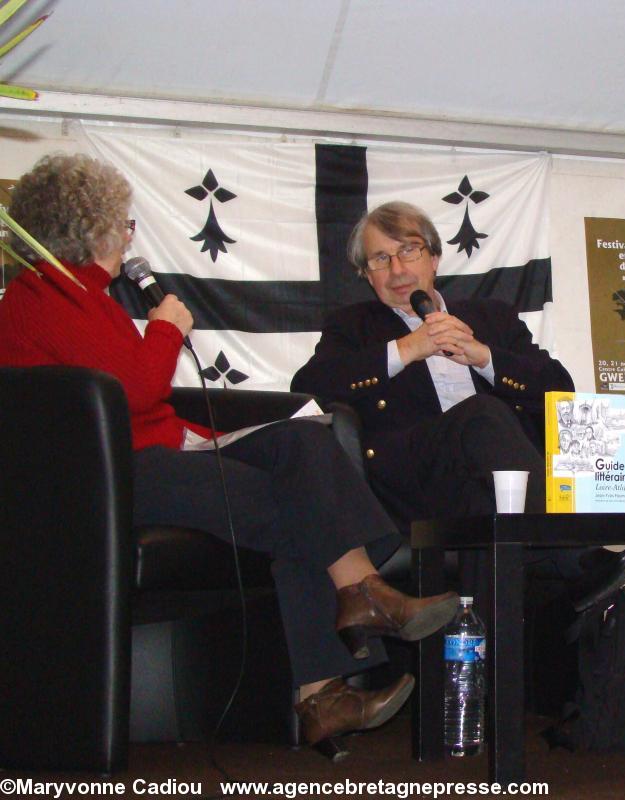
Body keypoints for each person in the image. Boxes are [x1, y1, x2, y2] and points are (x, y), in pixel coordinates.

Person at [0, 154, 460, 762]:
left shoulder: (84, 298)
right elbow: (129, 394)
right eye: (126, 225)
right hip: (112, 476)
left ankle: (354, 620)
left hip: (157, 451)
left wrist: (206, 431)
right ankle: (336, 664)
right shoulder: (44, 297)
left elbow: (140, 401)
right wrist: (164, 328)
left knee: (304, 441)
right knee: (297, 505)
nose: (129, 237)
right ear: (97, 230)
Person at [291, 201, 625, 608]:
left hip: (495, 485)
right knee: (482, 414)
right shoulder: (352, 326)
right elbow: (308, 388)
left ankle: (486, 662)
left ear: (435, 257)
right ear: (367, 275)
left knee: (484, 513)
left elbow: (560, 391)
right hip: (411, 482)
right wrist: (405, 349)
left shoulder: (491, 316)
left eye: (409, 250)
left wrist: (485, 358)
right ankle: (577, 558)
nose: (398, 269)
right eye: (380, 259)